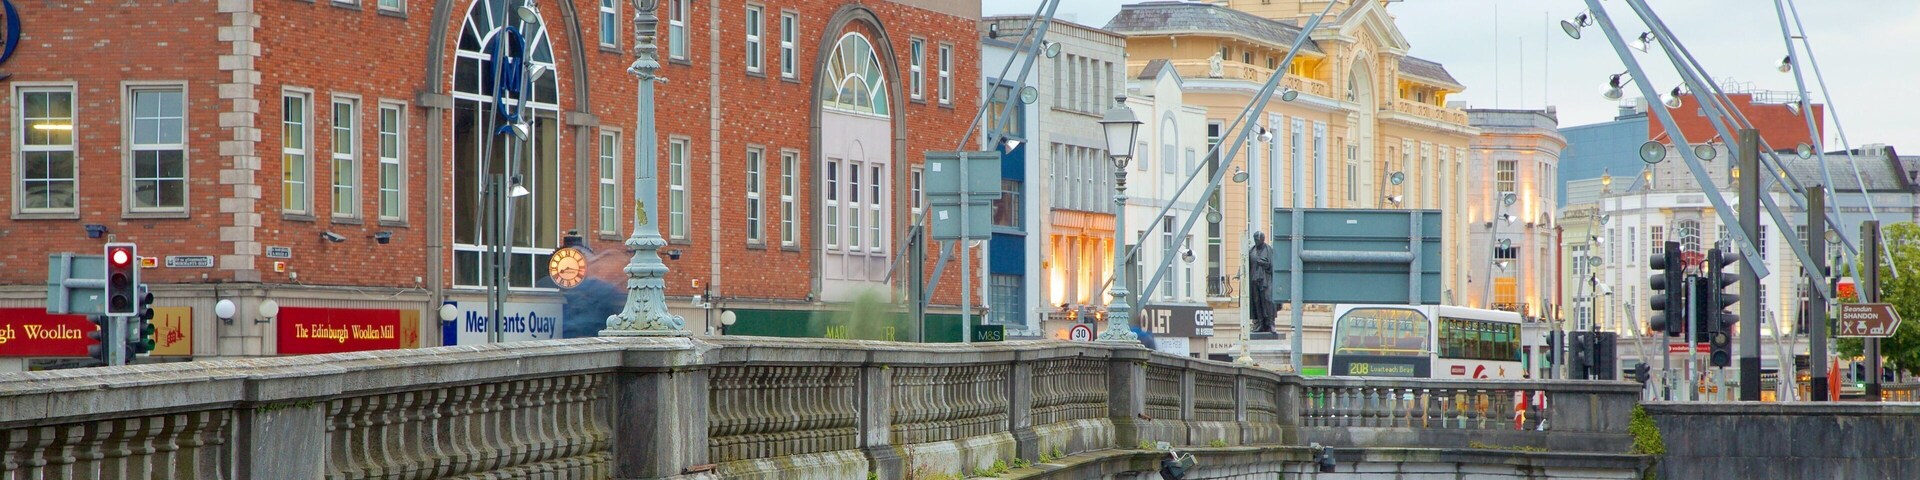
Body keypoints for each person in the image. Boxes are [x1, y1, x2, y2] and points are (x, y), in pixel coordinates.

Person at [1248, 231, 1277, 333]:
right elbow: (1245, 263)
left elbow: (1275, 266)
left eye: (1258, 239)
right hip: (1254, 281)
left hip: (1266, 280)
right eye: (1255, 239)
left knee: (1268, 301)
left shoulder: (1269, 250)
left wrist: (1266, 265)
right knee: (1257, 302)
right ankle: (1260, 324)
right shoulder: (1251, 251)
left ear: (1262, 239)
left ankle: (1271, 323)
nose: (1256, 241)